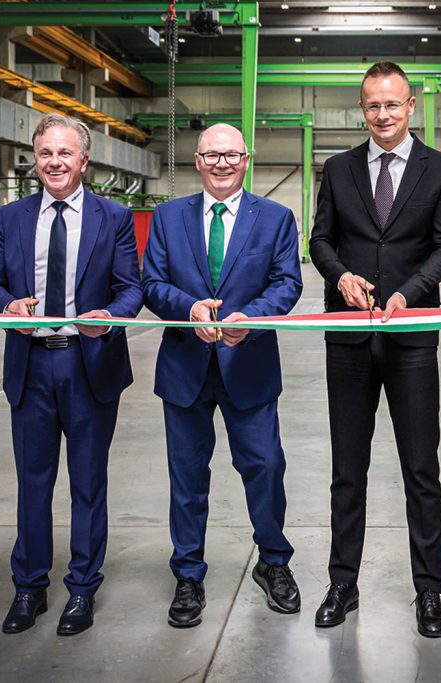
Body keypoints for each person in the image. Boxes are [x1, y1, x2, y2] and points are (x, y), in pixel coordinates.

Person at [309, 61, 441, 638]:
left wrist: (408, 293)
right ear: (362, 109)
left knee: (421, 469)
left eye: (393, 104)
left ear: (411, 106)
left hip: (412, 339)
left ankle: (428, 591)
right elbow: (320, 238)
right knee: (348, 470)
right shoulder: (340, 168)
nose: (383, 115)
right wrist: (342, 277)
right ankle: (342, 583)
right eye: (372, 105)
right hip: (347, 339)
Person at [0, 113, 142, 636]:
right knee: (34, 482)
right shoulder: (13, 216)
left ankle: (82, 589)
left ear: (84, 160)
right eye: (45, 152)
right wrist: (8, 305)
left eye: (65, 153)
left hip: (88, 363)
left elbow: (131, 288)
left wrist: (109, 319)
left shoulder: (112, 216)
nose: (54, 162)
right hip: (31, 364)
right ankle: (29, 588)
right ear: (35, 159)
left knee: (88, 484)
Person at [141, 124, 304, 628]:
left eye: (231, 154)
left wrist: (247, 321)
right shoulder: (168, 217)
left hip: (248, 364)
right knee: (187, 479)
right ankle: (188, 573)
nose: (222, 163)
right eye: (212, 155)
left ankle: (273, 561)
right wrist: (188, 307)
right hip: (185, 367)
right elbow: (152, 282)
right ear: (196, 160)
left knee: (265, 467)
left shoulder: (276, 218)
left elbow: (287, 282)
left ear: (247, 158)